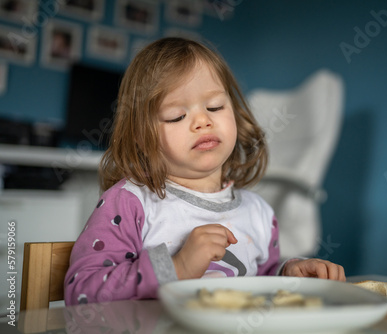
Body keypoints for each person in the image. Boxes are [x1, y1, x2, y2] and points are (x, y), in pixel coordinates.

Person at [64, 37, 345, 305]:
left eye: (215, 106)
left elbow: (263, 281)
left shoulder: (260, 213)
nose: (203, 120)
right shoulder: (129, 202)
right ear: (140, 135)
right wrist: (177, 266)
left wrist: (289, 274)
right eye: (177, 115)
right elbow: (82, 292)